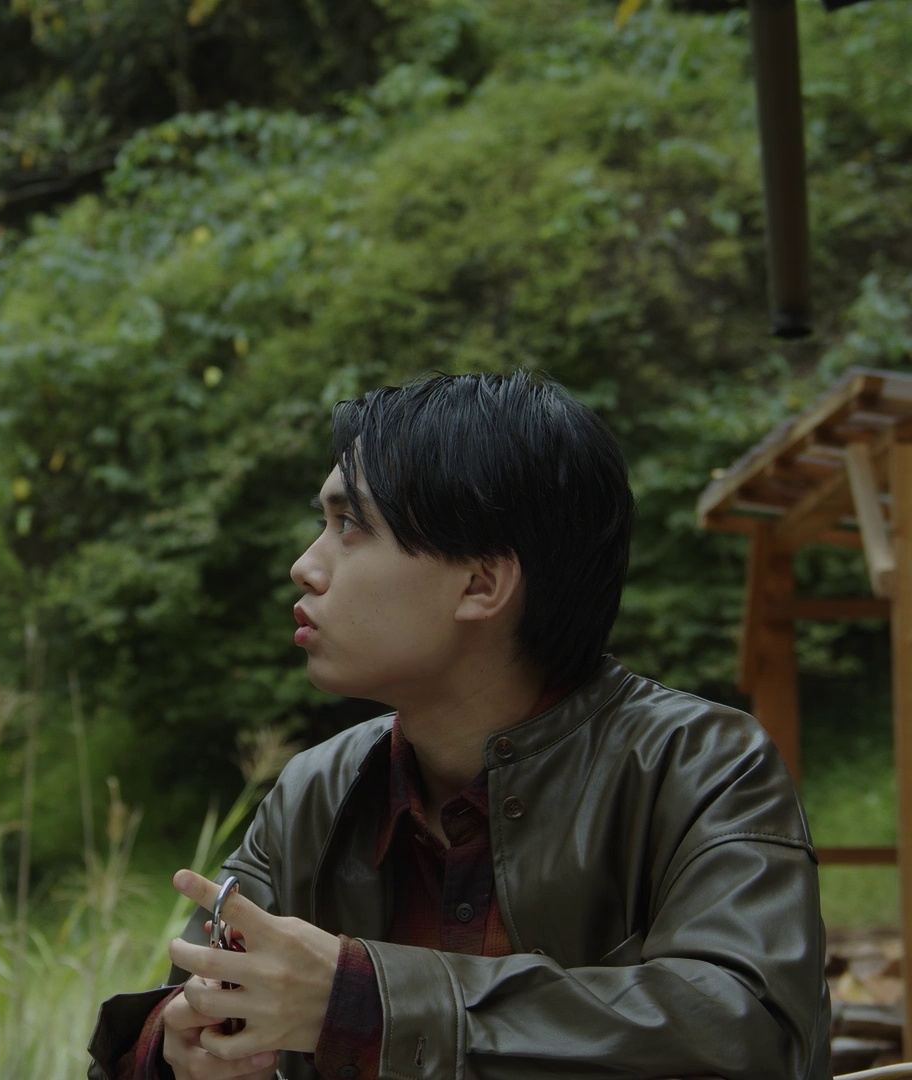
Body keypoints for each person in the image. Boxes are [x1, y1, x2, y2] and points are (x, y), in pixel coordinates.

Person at [86, 373, 830, 1080]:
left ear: (481, 583)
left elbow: (754, 1032)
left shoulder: (698, 765)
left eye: (350, 524)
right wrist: (178, 1049)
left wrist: (366, 1002)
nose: (304, 567)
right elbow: (181, 1007)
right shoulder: (314, 792)